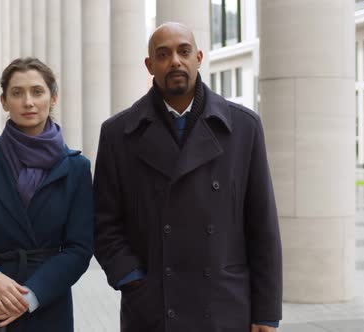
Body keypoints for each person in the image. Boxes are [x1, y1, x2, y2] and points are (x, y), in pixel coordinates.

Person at [93, 22, 282, 332]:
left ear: (199, 57)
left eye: (183, 51)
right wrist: (132, 279)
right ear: (149, 65)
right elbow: (104, 222)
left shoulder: (244, 127)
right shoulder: (118, 134)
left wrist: (266, 312)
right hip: (153, 309)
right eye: (163, 54)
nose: (175, 61)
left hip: (224, 306)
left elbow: (263, 227)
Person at [0, 57, 93, 331]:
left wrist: (30, 296)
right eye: (17, 93)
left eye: (37, 91)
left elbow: (79, 249)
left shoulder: (76, 168)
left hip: (49, 304)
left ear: (53, 98)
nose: (28, 102)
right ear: (3, 102)